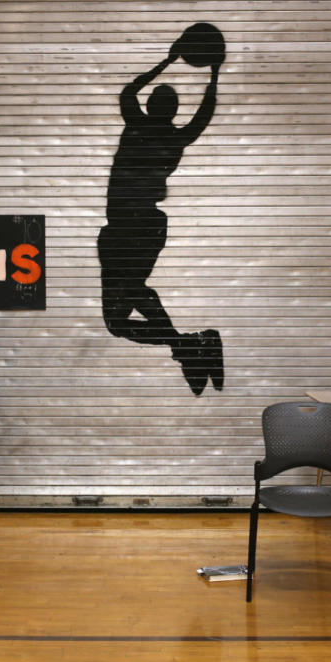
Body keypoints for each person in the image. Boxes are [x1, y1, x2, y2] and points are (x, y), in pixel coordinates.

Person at [97, 31, 224, 395]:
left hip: (126, 227)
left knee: (125, 306)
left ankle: (193, 347)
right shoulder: (174, 140)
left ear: (152, 105)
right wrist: (213, 73)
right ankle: (191, 346)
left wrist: (167, 62)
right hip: (142, 227)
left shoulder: (135, 126)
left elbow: (127, 92)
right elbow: (204, 114)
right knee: (121, 314)